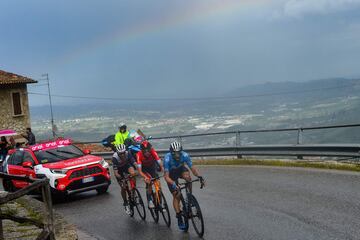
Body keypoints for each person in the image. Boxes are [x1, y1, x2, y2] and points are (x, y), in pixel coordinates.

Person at [163, 141, 205, 230]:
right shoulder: (167, 158)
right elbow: (166, 177)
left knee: (188, 178)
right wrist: (173, 184)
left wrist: (199, 176)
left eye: (179, 153)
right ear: (171, 152)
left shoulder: (185, 155)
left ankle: (189, 196)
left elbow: (192, 168)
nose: (177, 155)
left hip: (180, 169)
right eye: (175, 153)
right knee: (176, 195)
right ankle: (179, 216)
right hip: (171, 174)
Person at [136, 140, 163, 208]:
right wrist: (145, 177)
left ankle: (160, 203)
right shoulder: (138, 154)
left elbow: (159, 163)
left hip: (152, 167)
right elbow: (139, 171)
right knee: (149, 183)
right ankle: (150, 200)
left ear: (150, 149)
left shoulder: (153, 151)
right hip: (144, 170)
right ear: (142, 151)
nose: (147, 152)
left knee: (158, 185)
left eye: (148, 150)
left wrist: (164, 170)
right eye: (145, 151)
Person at [112, 144, 137, 215]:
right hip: (119, 170)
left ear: (125, 151)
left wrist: (138, 169)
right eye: (120, 154)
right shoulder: (115, 158)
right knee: (123, 187)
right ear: (117, 153)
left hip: (126, 166)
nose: (122, 155)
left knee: (133, 173)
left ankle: (133, 191)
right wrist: (121, 179)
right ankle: (125, 202)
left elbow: (134, 163)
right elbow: (116, 173)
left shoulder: (128, 153)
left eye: (123, 153)